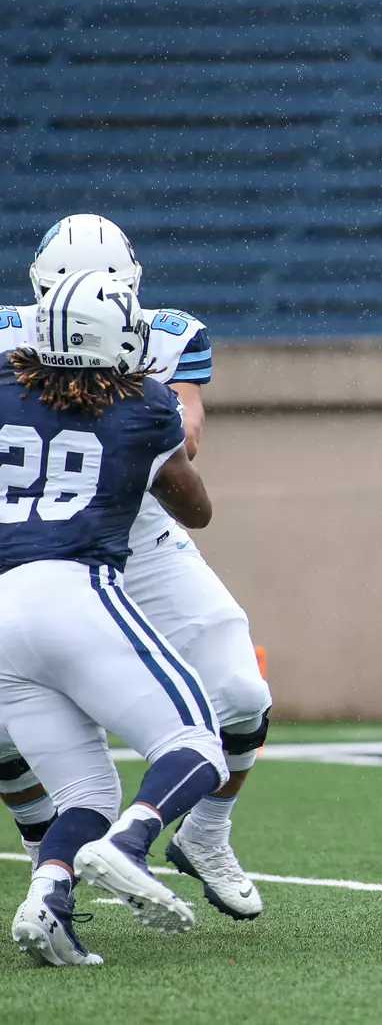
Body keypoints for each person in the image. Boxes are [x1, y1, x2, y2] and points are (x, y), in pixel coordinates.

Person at [0, 214, 271, 921]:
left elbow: (186, 437)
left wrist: (125, 413)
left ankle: (206, 833)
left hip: (136, 521)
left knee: (240, 689)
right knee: (7, 731)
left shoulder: (168, 334)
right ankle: (49, 873)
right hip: (24, 535)